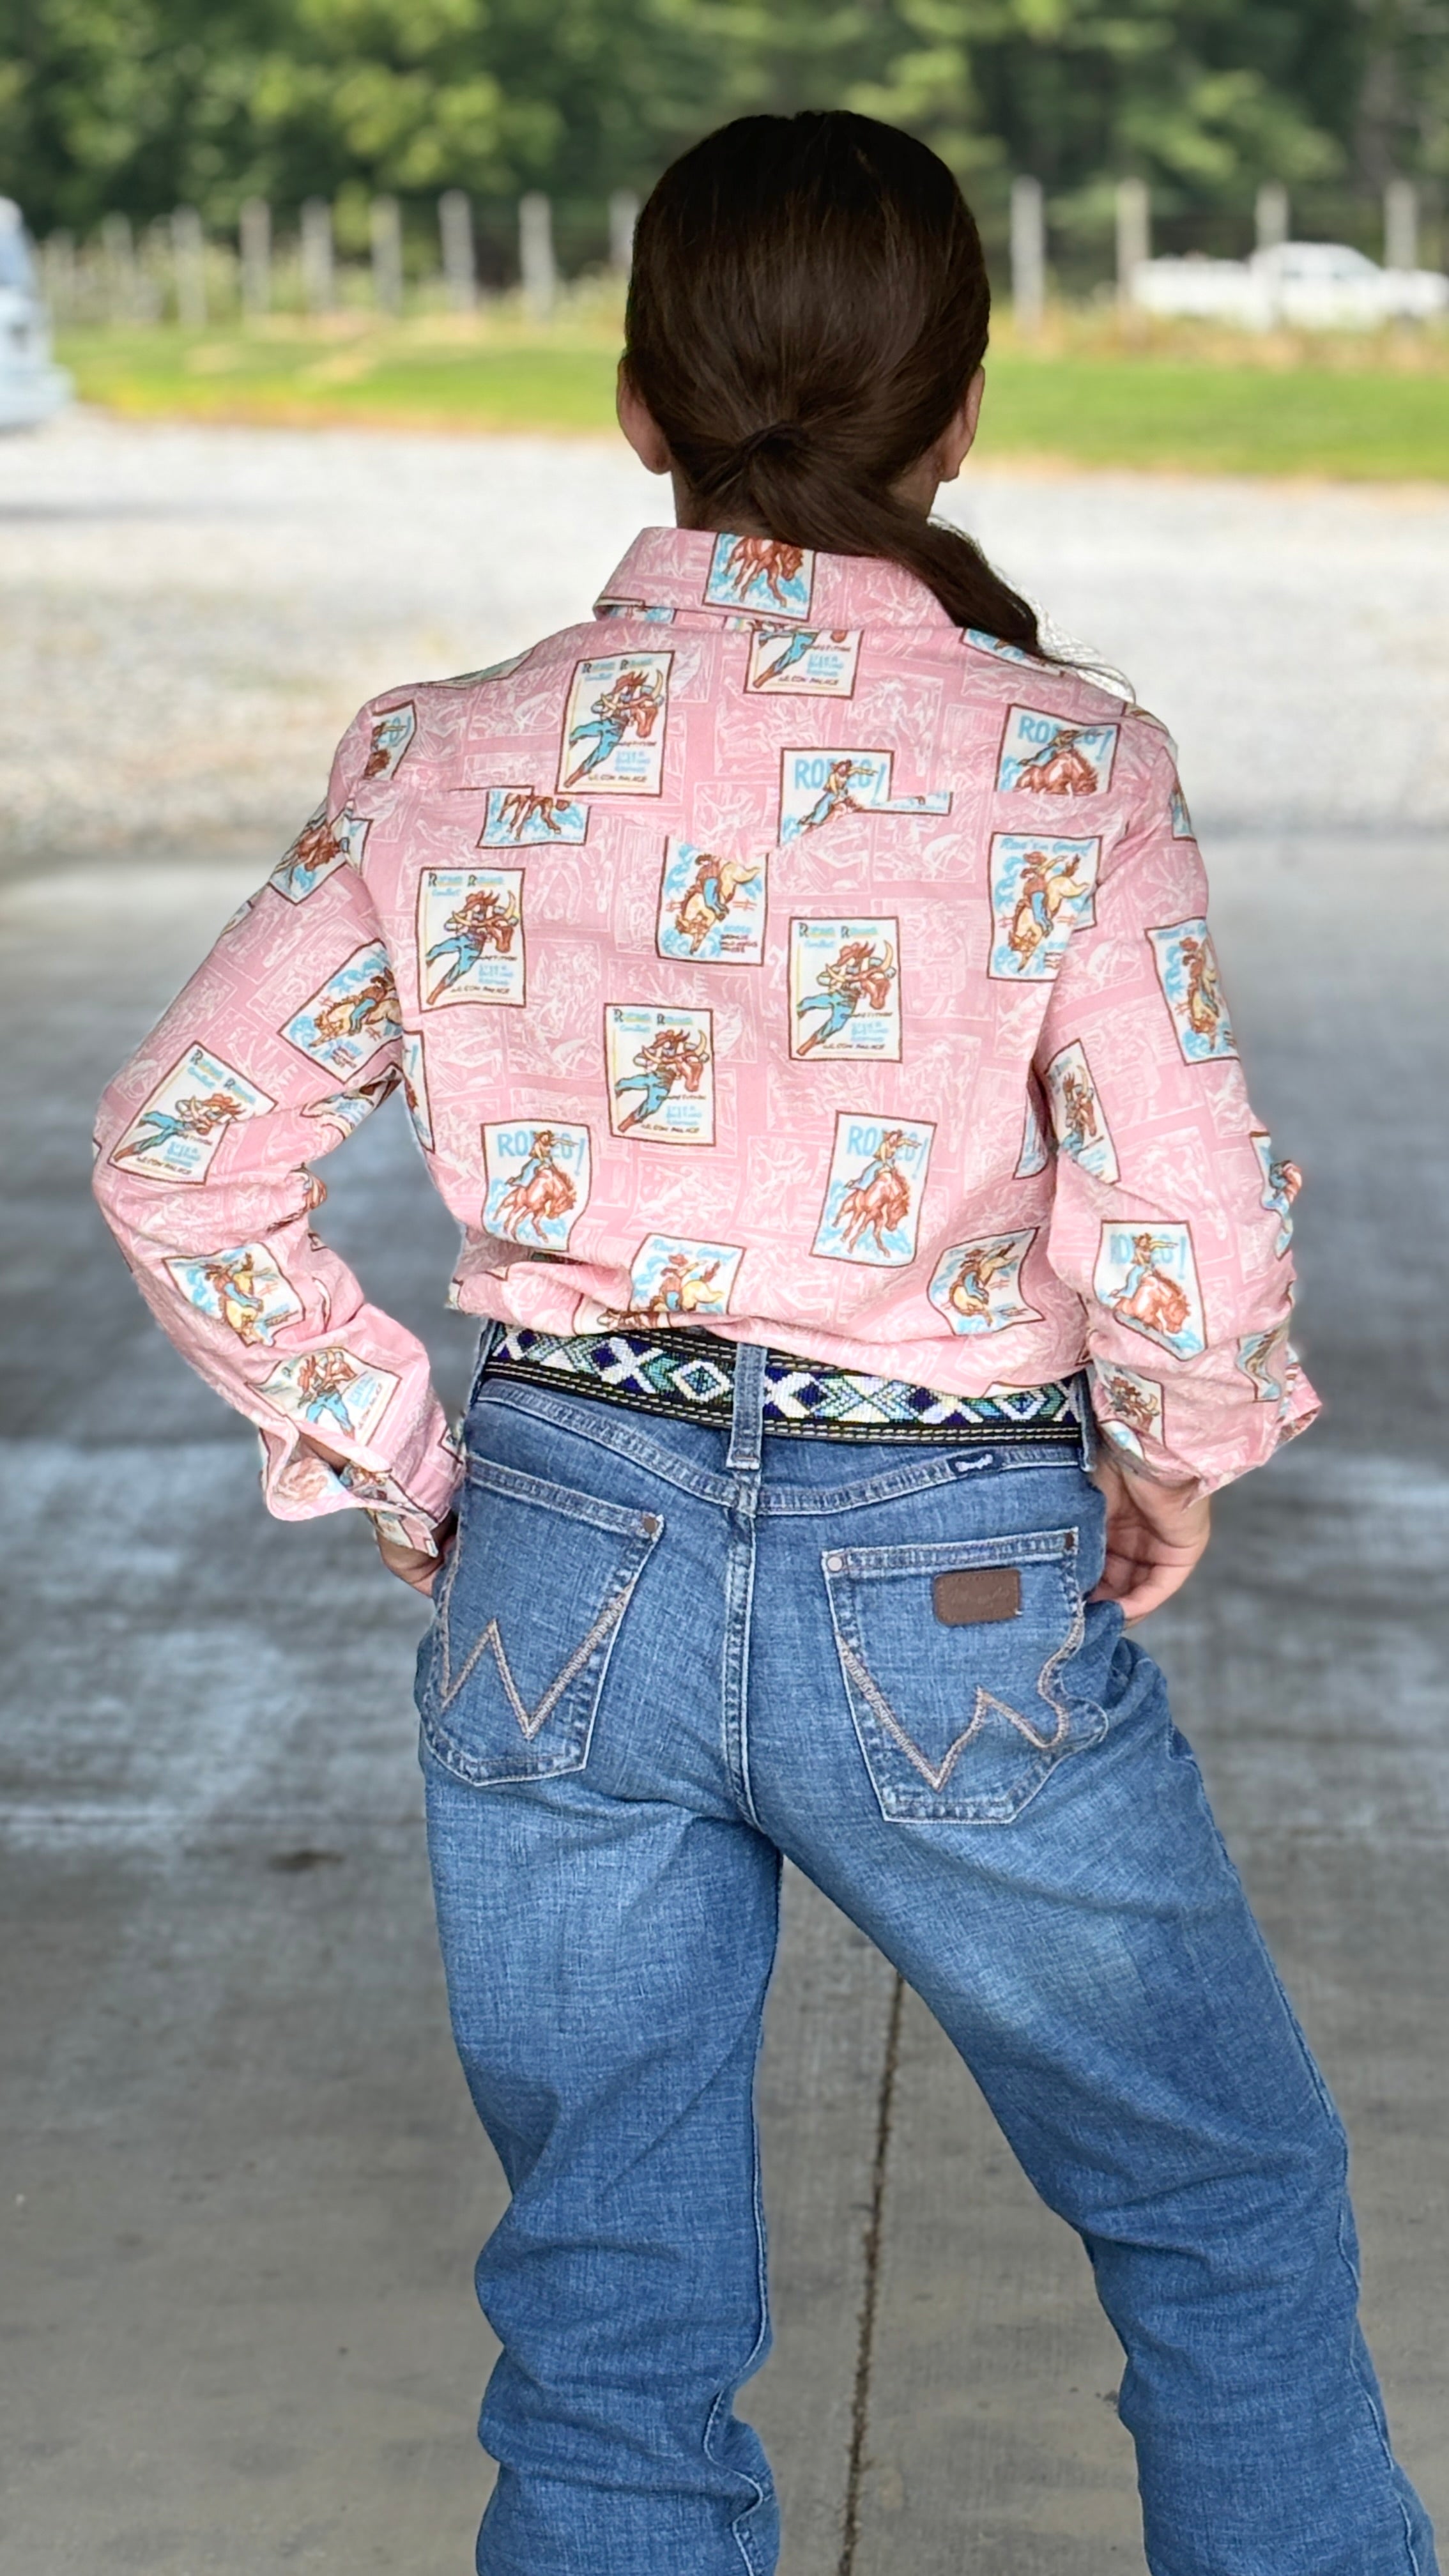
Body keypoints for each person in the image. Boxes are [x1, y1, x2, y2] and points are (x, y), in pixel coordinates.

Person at [92, 109, 1436, 2576]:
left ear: (636, 402)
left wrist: (415, 1464)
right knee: (1214, 2199)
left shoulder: (439, 753)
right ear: (961, 412)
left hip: (561, 1558)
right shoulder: (1068, 763)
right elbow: (1195, 1220)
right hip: (944, 1569)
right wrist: (1171, 1444)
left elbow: (182, 1146)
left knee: (607, 2313)